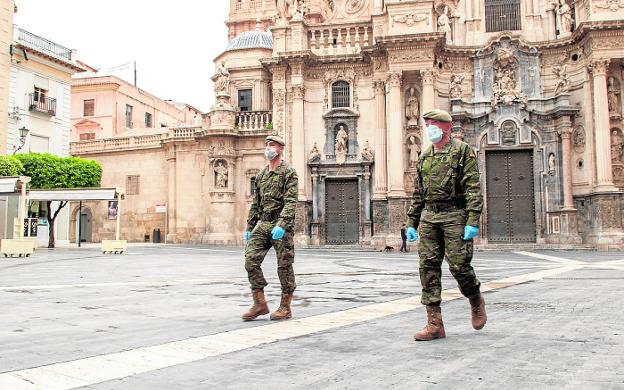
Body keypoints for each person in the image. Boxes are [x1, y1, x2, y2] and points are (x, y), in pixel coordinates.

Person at [405, 108, 486, 341]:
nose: (430, 128)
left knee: (459, 265)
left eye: (434, 124)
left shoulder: (463, 152)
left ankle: (475, 298)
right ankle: (434, 323)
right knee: (428, 267)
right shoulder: (424, 157)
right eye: (427, 124)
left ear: (447, 127)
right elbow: (418, 193)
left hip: (455, 214)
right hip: (430, 216)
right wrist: (412, 222)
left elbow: (472, 188)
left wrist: (472, 220)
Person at [241, 134, 299, 321]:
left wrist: (282, 224)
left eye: (272, 145)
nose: (268, 148)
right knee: (250, 259)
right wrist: (250, 227)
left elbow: (291, 202)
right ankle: (259, 303)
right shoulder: (261, 175)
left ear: (280, 149)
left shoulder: (289, 172)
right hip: (263, 223)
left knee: (284, 265)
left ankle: (285, 307)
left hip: (280, 224)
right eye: (267, 145)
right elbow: (255, 204)